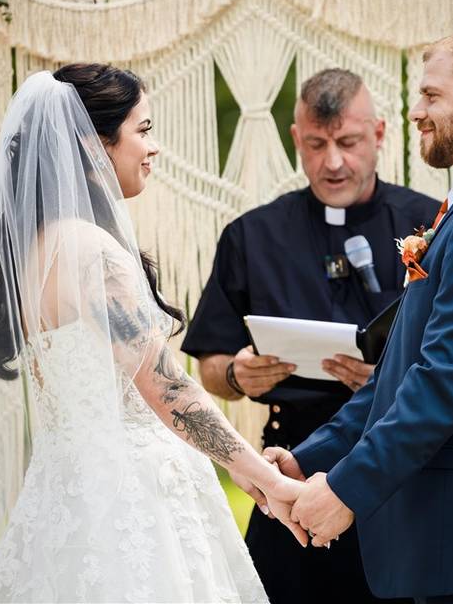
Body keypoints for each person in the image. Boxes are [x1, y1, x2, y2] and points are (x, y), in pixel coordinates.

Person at [0, 64, 307, 603]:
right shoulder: (89, 252)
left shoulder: (37, 252)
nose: (154, 147)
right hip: (131, 500)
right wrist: (266, 478)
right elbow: (168, 389)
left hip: (67, 489)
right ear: (96, 146)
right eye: (142, 130)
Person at [269, 29, 453, 603]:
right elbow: (403, 373)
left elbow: (446, 382)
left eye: (431, 95)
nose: (415, 111)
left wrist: (347, 489)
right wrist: (309, 461)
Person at [181, 68, 439, 602]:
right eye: (317, 145)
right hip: (292, 469)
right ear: (297, 139)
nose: (333, 162)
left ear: (380, 135)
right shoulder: (252, 235)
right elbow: (210, 365)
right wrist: (237, 373)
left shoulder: (430, 223)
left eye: (347, 142)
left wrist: (384, 380)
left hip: (399, 472)